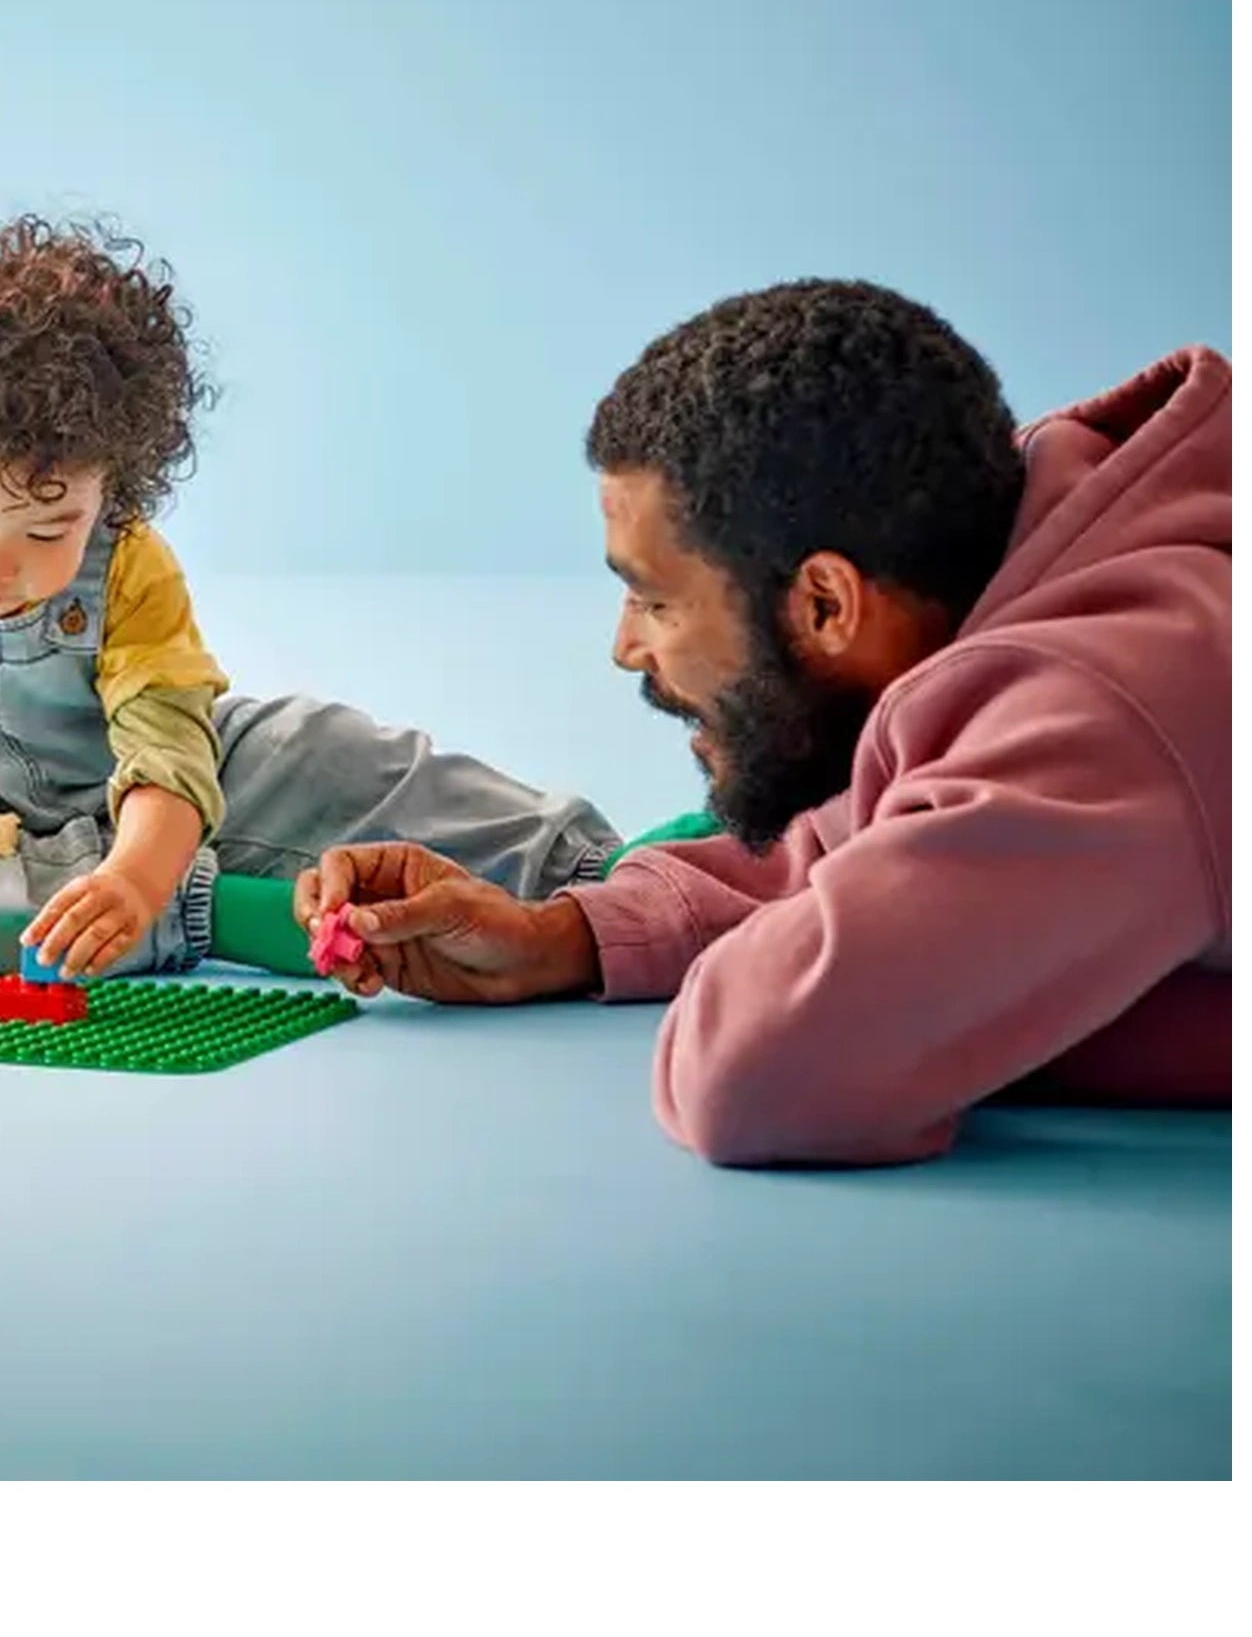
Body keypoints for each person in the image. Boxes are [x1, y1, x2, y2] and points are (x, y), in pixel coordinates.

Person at [299, 280, 1231, 1168]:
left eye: (655, 601)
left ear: (827, 603)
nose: (627, 650)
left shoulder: (1113, 706)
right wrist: (560, 939)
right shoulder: (1031, 547)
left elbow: (757, 1073)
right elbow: (882, 836)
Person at [0, 214, 619, 981]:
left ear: (110, 493)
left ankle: (602, 869)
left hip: (172, 798)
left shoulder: (127, 562)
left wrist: (136, 872)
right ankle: (232, 913)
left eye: (49, 533)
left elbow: (167, 740)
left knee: (325, 751)